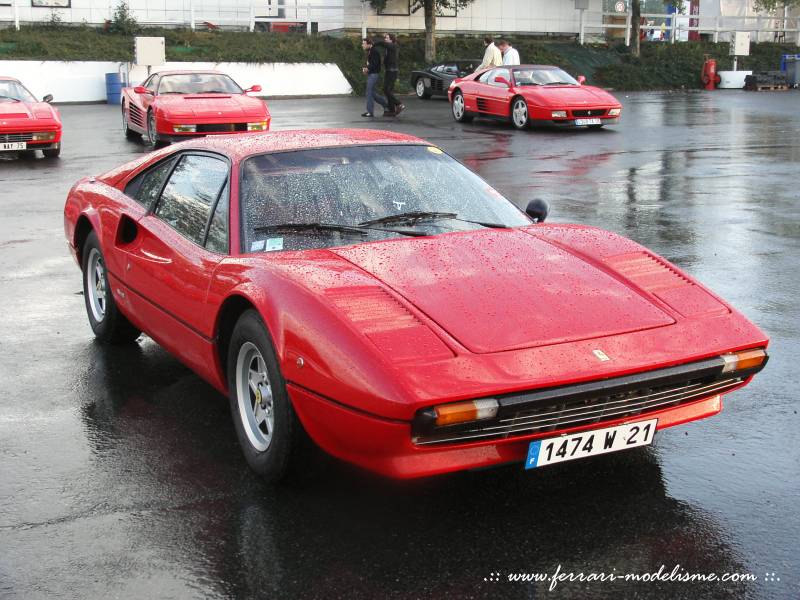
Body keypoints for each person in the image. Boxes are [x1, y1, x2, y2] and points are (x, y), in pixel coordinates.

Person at [374, 33, 404, 116]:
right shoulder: (389, 48)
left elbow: (383, 44)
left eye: (387, 38)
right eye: (385, 38)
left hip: (392, 71)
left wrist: (375, 43)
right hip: (389, 71)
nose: (385, 39)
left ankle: (399, 104)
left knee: (386, 90)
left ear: (391, 40)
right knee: (388, 91)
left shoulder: (393, 46)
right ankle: (392, 110)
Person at [361, 37, 387, 118]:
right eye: (362, 44)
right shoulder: (370, 51)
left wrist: (367, 69)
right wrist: (367, 69)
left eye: (364, 44)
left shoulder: (374, 52)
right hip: (372, 74)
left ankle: (370, 112)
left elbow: (375, 64)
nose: (362, 45)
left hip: (374, 75)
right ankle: (387, 105)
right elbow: (372, 63)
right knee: (372, 93)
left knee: (369, 92)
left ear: (369, 44)